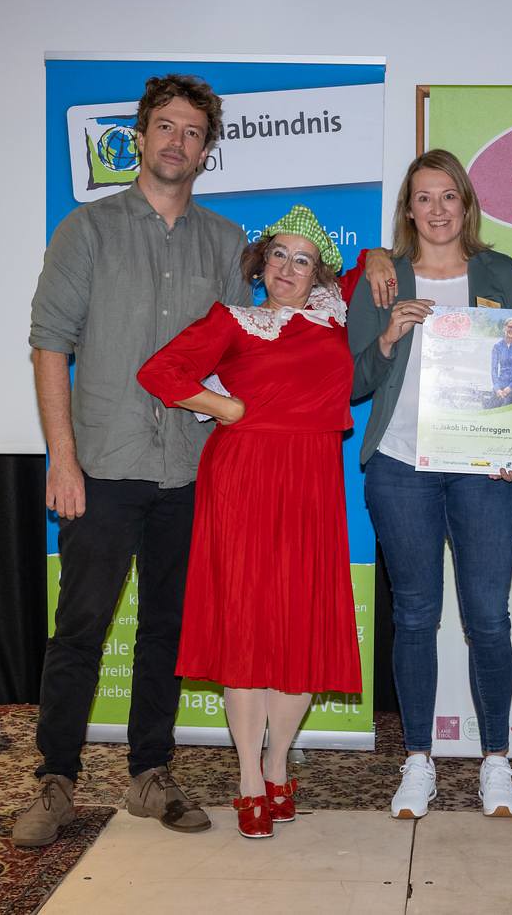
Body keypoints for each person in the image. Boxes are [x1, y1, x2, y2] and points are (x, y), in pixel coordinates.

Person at [18, 74, 247, 847]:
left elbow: (267, 334)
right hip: (104, 464)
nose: (177, 141)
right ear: (140, 138)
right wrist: (63, 460)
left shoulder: (225, 243)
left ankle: (152, 775)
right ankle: (56, 780)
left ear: (205, 151)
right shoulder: (88, 230)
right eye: (165, 128)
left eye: (192, 132)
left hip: (190, 472)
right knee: (80, 627)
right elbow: (50, 343)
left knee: (168, 631)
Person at [137, 204, 362, 840]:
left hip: (312, 479)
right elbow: (160, 372)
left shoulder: (335, 313)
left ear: (319, 273)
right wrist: (224, 405)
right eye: (280, 255)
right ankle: (247, 777)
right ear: (260, 262)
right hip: (243, 480)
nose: (289, 267)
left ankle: (277, 761)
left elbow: (377, 260)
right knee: (247, 626)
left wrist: (372, 264)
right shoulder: (231, 320)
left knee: (296, 629)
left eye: (304, 258)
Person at [348, 149, 512, 821]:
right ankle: (419, 760)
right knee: (418, 617)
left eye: (448, 195)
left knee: (488, 619)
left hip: (484, 468)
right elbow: (353, 380)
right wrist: (390, 337)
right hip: (402, 469)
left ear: (466, 203)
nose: (437, 209)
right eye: (423, 198)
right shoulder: (383, 280)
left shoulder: (500, 272)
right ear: (408, 209)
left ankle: (496, 762)